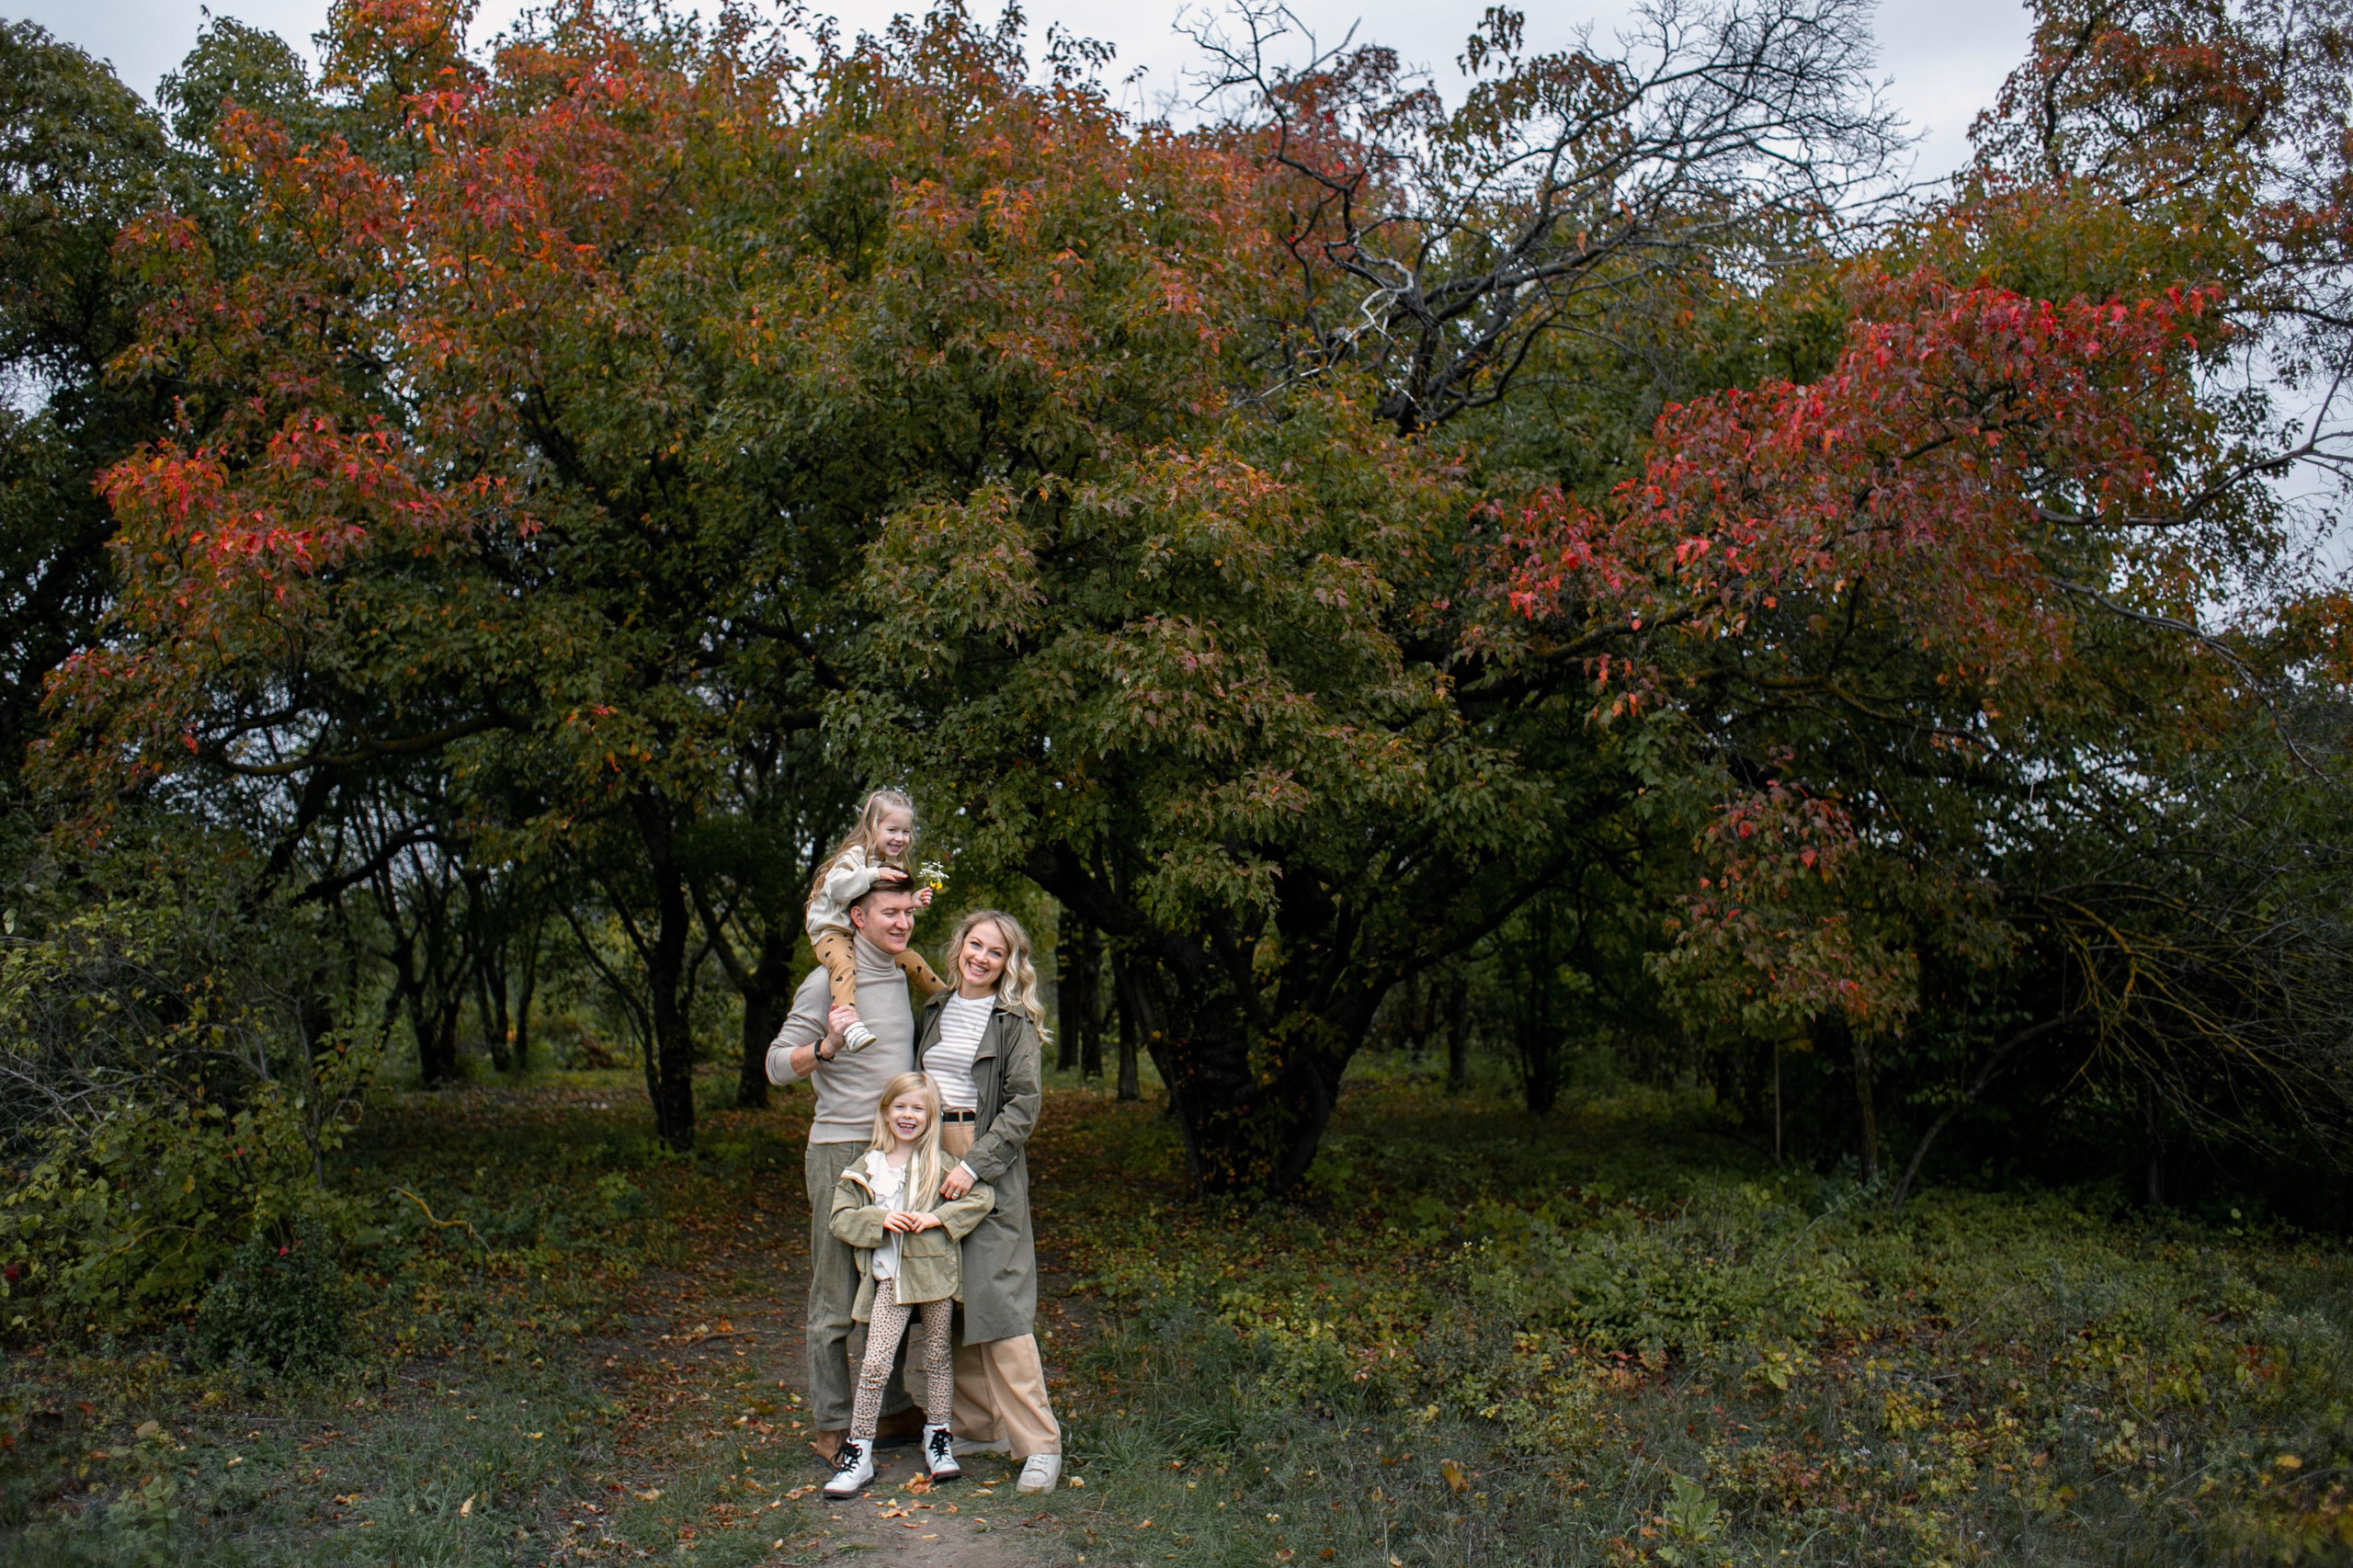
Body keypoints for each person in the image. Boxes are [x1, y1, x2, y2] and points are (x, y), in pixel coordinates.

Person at [767, 879, 934, 1460]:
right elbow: (775, 1066)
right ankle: (833, 1423)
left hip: (896, 1151)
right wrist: (827, 1048)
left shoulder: (903, 975)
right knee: (836, 1291)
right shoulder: (825, 982)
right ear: (858, 919)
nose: (902, 922)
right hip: (840, 1151)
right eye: (889, 912)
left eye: (907, 911)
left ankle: (889, 1408)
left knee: (893, 1285)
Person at [915, 908, 1064, 1494]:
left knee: (998, 1297)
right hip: (929, 1153)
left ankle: (1040, 1445)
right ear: (959, 947)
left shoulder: (1013, 1021)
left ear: (1009, 964)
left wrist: (974, 1164)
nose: (981, 957)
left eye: (995, 952)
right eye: (974, 945)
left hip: (985, 1156)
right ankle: (980, 1427)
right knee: (946, 1293)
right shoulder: (934, 1009)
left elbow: (1024, 1105)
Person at [823, 1072, 995, 1496]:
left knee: (937, 1358)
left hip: (935, 1277)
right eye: (900, 1106)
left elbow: (982, 1198)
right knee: (875, 1364)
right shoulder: (867, 1167)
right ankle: (859, 1452)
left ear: (931, 1116)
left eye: (918, 1108)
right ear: (886, 1112)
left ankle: (938, 1439)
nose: (908, 1115)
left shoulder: (941, 1164)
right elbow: (840, 1219)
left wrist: (937, 1217)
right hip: (890, 1280)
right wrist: (880, 1219)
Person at [805, 790, 948, 1052]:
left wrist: (912, 901)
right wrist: (874, 874)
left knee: (912, 959)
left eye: (905, 832)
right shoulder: (854, 856)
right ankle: (849, 1024)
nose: (899, 838)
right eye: (892, 830)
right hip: (832, 932)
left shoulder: (889, 862)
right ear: (873, 827)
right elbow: (836, 889)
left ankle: (951, 1001)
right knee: (844, 963)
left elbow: (881, 905)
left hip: (862, 934)